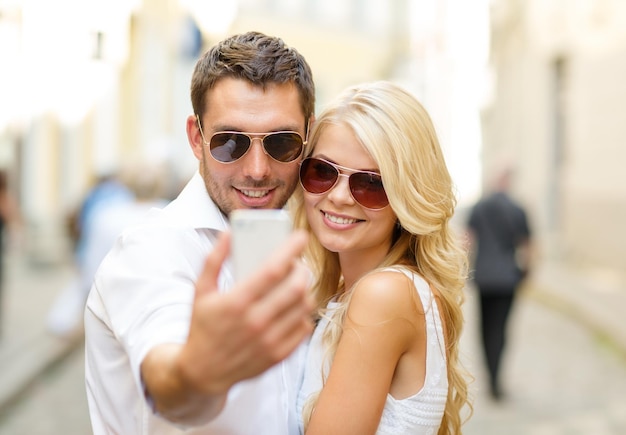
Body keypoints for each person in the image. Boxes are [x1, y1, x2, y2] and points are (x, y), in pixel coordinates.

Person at [84, 31, 315, 434]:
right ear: (197, 137)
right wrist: (199, 372)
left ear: (307, 136)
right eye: (230, 142)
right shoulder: (151, 251)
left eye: (281, 143)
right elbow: (169, 382)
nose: (257, 169)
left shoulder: (313, 252)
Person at [292, 81, 472, 434]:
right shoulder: (353, 290)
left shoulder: (383, 294)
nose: (340, 196)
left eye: (371, 183)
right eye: (323, 172)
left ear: (408, 196)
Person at [466, 166, 532, 401]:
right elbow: (528, 245)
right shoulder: (518, 209)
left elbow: (467, 240)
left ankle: (491, 375)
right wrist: (527, 272)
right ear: (509, 181)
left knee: (485, 328)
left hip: (484, 276)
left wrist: (465, 268)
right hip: (507, 278)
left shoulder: (479, 207)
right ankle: (496, 378)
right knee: (501, 329)